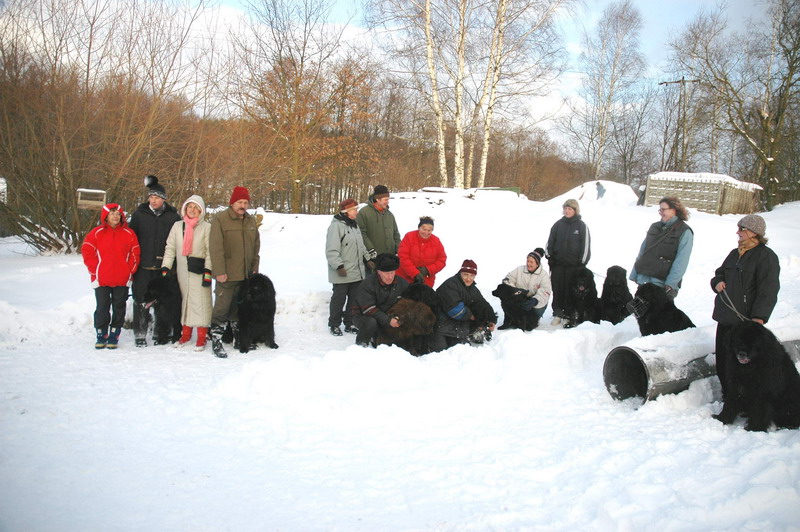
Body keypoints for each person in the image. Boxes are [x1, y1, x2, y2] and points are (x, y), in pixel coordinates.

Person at [710, 214, 780, 399]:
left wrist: (758, 318)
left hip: (746, 323)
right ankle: (729, 398)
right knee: (723, 362)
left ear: (754, 233)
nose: (738, 232)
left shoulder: (766, 257)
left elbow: (768, 290)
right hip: (725, 318)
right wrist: (717, 282)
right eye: (739, 228)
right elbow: (719, 273)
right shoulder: (735, 253)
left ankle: (746, 400)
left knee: (743, 366)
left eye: (742, 229)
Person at [208, 186, 261, 358]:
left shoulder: (251, 221)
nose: (243, 205)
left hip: (245, 275)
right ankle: (216, 339)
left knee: (240, 309)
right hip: (227, 274)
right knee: (222, 308)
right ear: (232, 202)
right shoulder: (221, 219)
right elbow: (216, 248)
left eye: (246, 202)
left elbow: (256, 247)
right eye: (240, 202)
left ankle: (239, 338)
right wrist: (220, 271)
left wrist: (254, 269)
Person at [129, 175, 181, 347]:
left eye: (157, 197)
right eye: (151, 197)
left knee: (163, 301)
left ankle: (161, 331)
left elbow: (178, 241)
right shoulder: (139, 215)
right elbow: (131, 239)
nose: (153, 200)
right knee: (140, 298)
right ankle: (140, 333)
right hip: (143, 265)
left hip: (163, 267)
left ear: (164, 199)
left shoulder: (172, 217)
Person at [81, 203, 140, 349]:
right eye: (112, 213)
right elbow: (87, 252)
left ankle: (114, 334)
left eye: (118, 214)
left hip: (122, 278)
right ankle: (101, 334)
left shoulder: (128, 234)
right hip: (101, 279)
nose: (115, 216)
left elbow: (135, 254)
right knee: (102, 307)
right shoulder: (96, 233)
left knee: (119, 307)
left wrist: (129, 271)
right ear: (106, 216)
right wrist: (96, 271)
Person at [161, 195, 213, 352]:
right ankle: (186, 334)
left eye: (196, 208)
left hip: (199, 270)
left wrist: (208, 271)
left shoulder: (206, 227)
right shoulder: (178, 226)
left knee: (201, 302)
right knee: (186, 302)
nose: (192, 210)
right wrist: (166, 267)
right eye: (190, 207)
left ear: (201, 210)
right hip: (183, 272)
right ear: (185, 208)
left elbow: (210, 251)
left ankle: (202, 336)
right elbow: (170, 248)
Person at [629, 196, 694, 299]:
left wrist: (671, 284)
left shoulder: (685, 232)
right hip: (644, 280)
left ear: (673, 210)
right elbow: (643, 252)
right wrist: (635, 273)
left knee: (658, 315)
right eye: (660, 209)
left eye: (663, 209)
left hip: (662, 285)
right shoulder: (654, 227)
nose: (660, 212)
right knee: (640, 313)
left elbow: (681, 261)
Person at [325, 198, 371, 336]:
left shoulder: (354, 225)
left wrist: (368, 259)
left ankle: (349, 323)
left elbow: (361, 246)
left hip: (356, 271)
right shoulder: (336, 226)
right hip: (342, 272)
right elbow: (331, 250)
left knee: (354, 299)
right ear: (346, 212)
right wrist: (338, 266)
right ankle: (334, 324)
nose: (357, 212)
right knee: (339, 299)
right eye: (354, 210)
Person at [430, 259, 496, 351]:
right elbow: (455, 310)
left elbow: (483, 303)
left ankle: (474, 333)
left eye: (472, 276)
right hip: (441, 326)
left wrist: (491, 319)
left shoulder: (473, 289)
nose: (468, 279)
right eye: (465, 274)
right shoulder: (451, 285)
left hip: (459, 328)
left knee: (462, 350)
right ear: (460, 273)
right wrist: (472, 316)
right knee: (439, 351)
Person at [546, 199, 591, 327]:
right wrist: (551, 257)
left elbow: (586, 246)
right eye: (565, 208)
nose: (567, 211)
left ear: (575, 210)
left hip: (574, 267)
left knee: (570, 291)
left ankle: (569, 314)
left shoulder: (582, 226)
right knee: (558, 289)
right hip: (558, 266)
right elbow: (549, 243)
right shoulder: (557, 225)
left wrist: (581, 263)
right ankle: (557, 313)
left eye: (569, 209)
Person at [351, 253, 409, 347]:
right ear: (379, 272)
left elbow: (407, 303)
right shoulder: (368, 284)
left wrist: (398, 317)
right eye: (386, 273)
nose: (390, 277)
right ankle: (361, 345)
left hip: (388, 315)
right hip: (364, 315)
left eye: (392, 272)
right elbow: (369, 309)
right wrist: (388, 321)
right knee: (371, 323)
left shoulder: (402, 283)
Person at [498, 248, 552, 330]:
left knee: (533, 314)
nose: (528, 264)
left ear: (537, 263)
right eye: (527, 261)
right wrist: (514, 291)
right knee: (507, 300)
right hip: (519, 298)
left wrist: (535, 300)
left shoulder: (543, 275)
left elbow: (545, 291)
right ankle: (511, 320)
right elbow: (508, 280)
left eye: (531, 262)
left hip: (533, 301)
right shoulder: (519, 270)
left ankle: (532, 321)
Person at [396, 216, 447, 288]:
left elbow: (442, 260)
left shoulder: (436, 241)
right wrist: (414, 273)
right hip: (404, 278)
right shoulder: (409, 237)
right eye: (424, 229)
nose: (426, 232)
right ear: (419, 227)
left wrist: (427, 270)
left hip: (425, 281)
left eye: (429, 230)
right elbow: (403, 256)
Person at [356, 184, 401, 263]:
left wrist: (398, 249)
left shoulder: (390, 215)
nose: (388, 202)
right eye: (385, 199)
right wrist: (371, 249)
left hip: (389, 257)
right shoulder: (363, 213)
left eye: (388, 199)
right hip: (372, 258)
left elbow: (396, 234)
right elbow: (361, 234)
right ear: (377, 199)